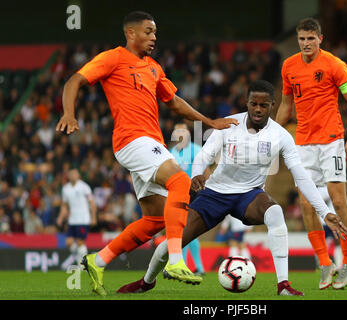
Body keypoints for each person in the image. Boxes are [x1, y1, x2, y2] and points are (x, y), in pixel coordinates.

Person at [56, 11, 237, 296]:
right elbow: (73, 81)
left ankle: (98, 260)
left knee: (154, 220)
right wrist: (69, 113)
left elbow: (174, 102)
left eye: (155, 33)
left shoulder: (153, 67)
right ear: (131, 33)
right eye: (148, 32)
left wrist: (210, 122)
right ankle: (176, 260)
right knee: (179, 181)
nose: (154, 38)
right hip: (131, 140)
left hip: (151, 142)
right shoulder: (113, 57)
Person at [116, 80, 347, 296]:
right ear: (247, 103)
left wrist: (324, 212)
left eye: (263, 105)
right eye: (254, 104)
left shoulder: (280, 136)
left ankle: (283, 284)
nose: (258, 109)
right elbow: (203, 156)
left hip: (249, 196)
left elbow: (301, 177)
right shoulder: (229, 125)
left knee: (275, 212)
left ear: (272, 105)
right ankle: (146, 281)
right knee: (172, 243)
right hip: (215, 194)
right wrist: (197, 173)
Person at [275, 18, 347, 290]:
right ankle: (324, 262)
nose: (305, 43)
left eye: (311, 38)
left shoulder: (334, 65)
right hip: (302, 143)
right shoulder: (289, 66)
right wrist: (274, 134)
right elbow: (286, 105)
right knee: (306, 204)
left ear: (320, 39)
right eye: (302, 39)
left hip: (332, 141)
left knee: (338, 201)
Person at [170, 122, 205, 276]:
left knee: (186, 229)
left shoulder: (196, 150)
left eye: (182, 130)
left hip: (195, 192)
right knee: (184, 229)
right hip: (179, 193)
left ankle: (186, 265)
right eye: (177, 131)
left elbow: (207, 169)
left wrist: (206, 188)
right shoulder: (172, 152)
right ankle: (197, 267)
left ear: (188, 133)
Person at [56, 169, 97, 266]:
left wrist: (93, 217)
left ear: (78, 175)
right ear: (68, 176)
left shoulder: (84, 187)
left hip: (83, 219)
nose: (73, 176)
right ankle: (83, 257)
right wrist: (60, 217)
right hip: (72, 220)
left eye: (75, 174)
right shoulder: (65, 189)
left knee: (80, 242)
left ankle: (82, 265)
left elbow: (92, 202)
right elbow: (64, 205)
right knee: (69, 242)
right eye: (71, 174)